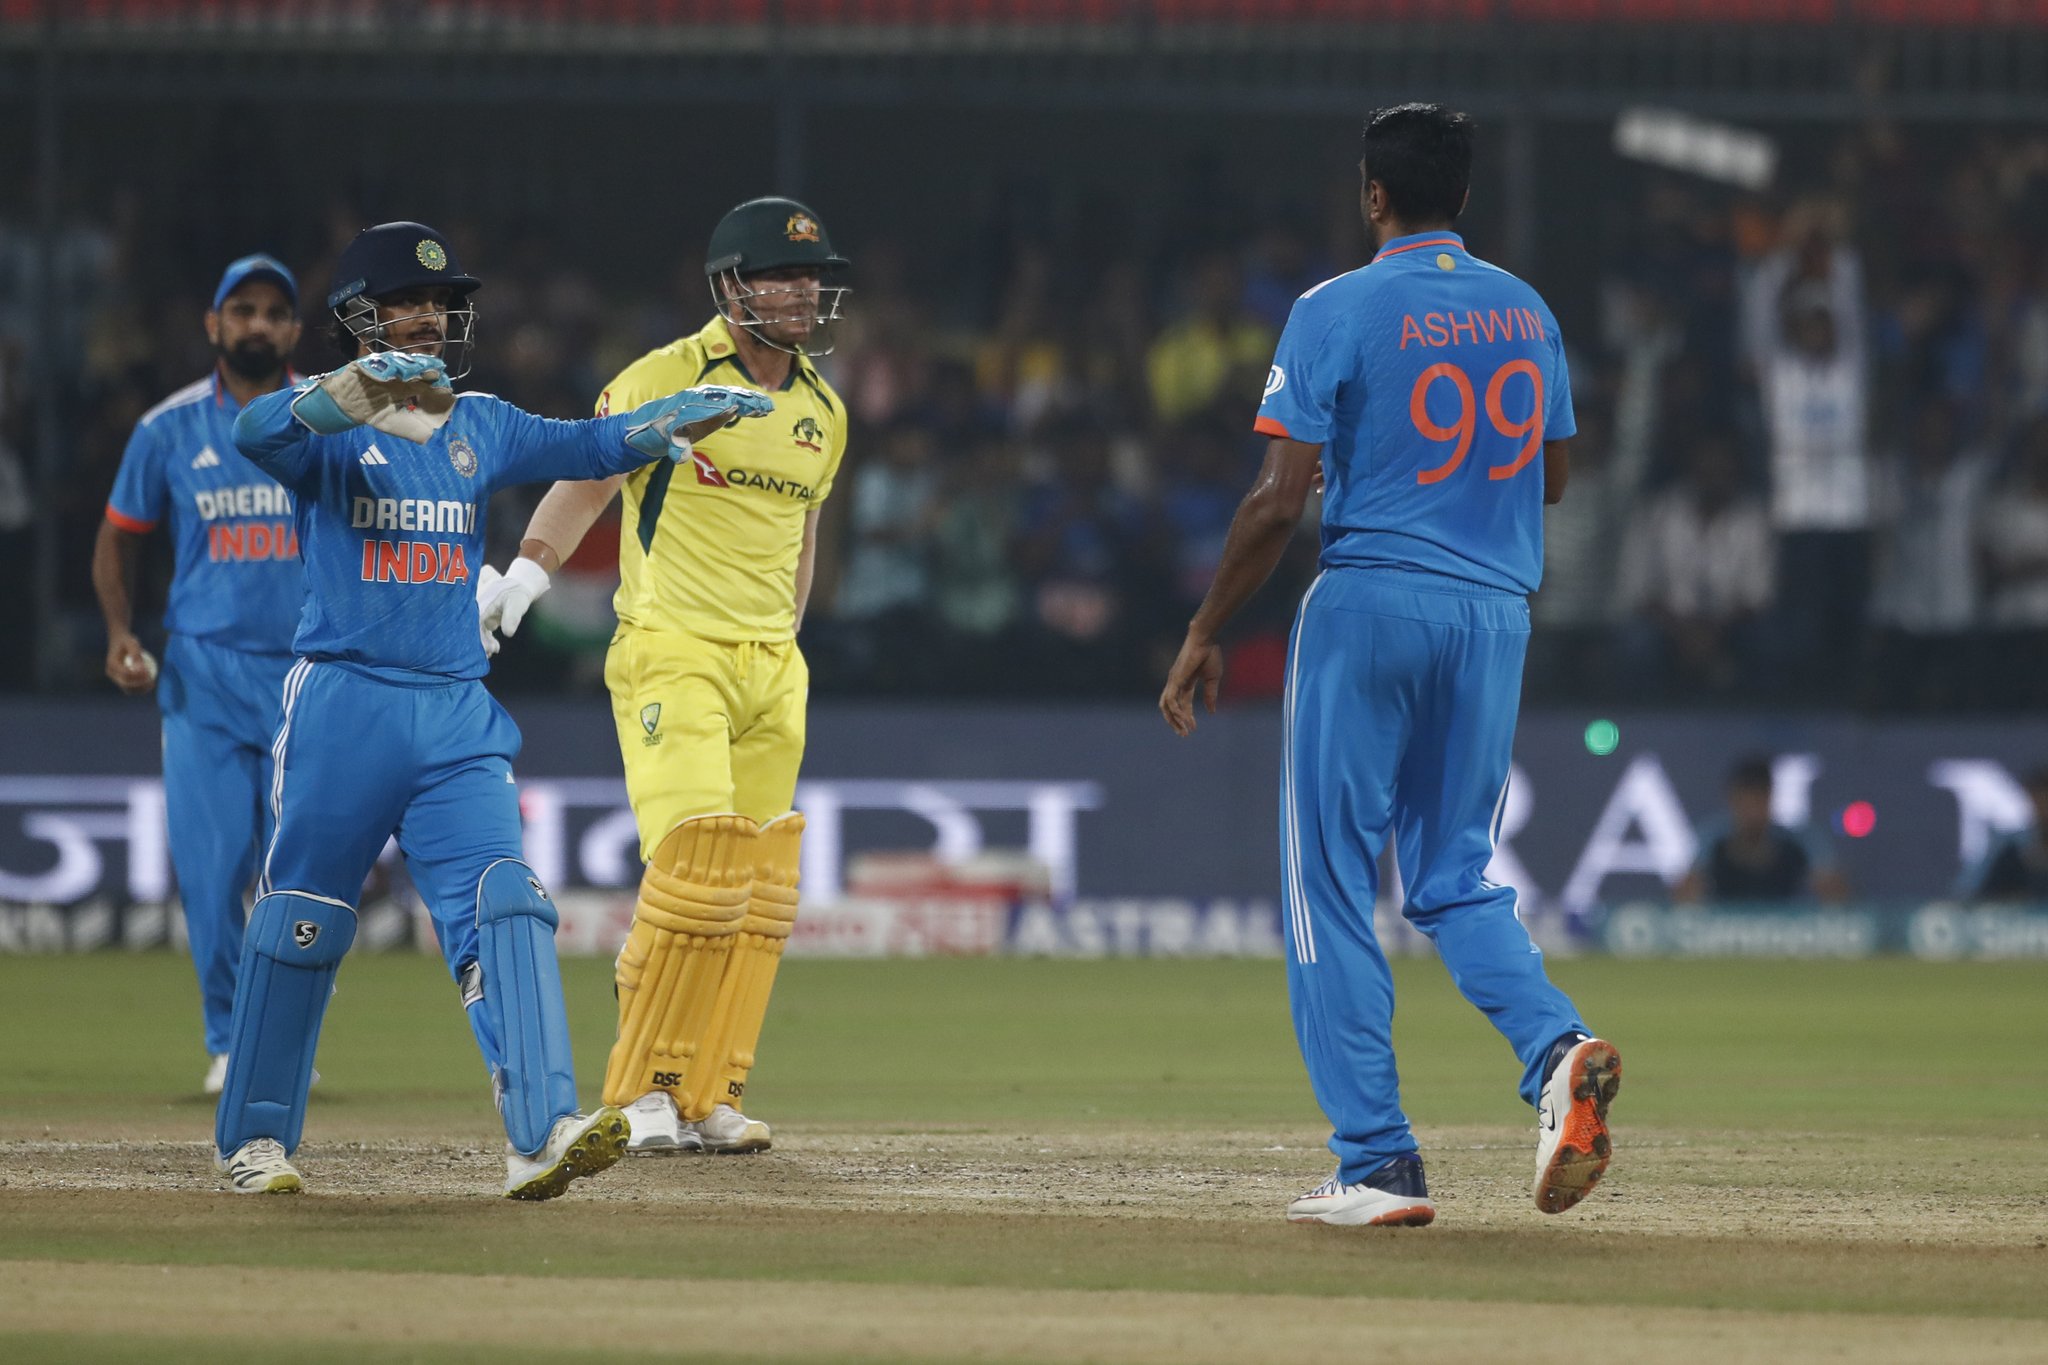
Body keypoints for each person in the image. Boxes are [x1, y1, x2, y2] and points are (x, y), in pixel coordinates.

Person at [217, 220, 771, 1198]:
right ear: (357, 318)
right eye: (404, 302)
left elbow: (593, 442)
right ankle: (255, 1141)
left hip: (453, 713)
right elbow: (251, 433)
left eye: (440, 303)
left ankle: (542, 1131)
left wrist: (678, 416)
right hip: (344, 699)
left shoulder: (476, 423)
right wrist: (352, 393)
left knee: (506, 905)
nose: (428, 316)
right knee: (302, 921)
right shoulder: (326, 430)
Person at [1159, 104, 1620, 1227]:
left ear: (1372, 197)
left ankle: (1376, 1161)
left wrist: (1202, 628)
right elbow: (1551, 478)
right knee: (1455, 876)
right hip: (1493, 614)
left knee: (1325, 882)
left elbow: (1275, 504)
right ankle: (1554, 1049)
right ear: (1460, 197)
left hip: (1369, 603)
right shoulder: (1526, 311)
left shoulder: (1333, 309)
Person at [478, 197, 849, 1155]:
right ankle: (640, 1091)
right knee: (694, 872)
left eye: (812, 277)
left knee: (757, 892)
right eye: (784, 275)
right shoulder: (663, 378)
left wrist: (788, 639)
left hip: (772, 666)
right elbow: (590, 479)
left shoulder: (822, 408)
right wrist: (529, 568)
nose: (806, 291)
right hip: (672, 648)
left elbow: (802, 536)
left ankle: (708, 1088)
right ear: (731, 287)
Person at [93, 253, 306, 1096]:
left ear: (294, 329)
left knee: (298, 880)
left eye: (274, 312)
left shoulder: (328, 417)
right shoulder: (167, 429)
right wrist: (118, 632)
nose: (257, 323)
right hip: (203, 677)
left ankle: (283, 1039)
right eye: (242, 309)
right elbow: (118, 535)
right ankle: (229, 1038)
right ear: (213, 325)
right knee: (214, 872)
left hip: (308, 675)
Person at [1675, 755, 1849, 905]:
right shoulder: (1712, 840)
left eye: (1759, 801)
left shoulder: (1798, 841)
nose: (1752, 812)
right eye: (1746, 802)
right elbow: (1685, 899)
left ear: (1770, 800)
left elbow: (1837, 898)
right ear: (1732, 800)